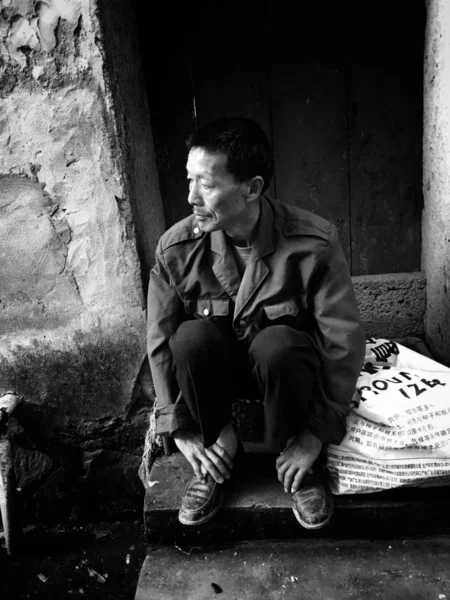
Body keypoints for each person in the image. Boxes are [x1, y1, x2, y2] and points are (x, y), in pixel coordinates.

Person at [147, 117, 365, 529]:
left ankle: (295, 461)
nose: (191, 196)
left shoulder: (312, 243)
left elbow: (344, 341)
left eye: (206, 185)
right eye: (189, 180)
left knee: (278, 343)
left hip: (285, 378)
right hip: (217, 383)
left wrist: (315, 435)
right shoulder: (177, 248)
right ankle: (219, 450)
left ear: (252, 188)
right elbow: (159, 341)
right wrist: (179, 428)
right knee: (191, 337)